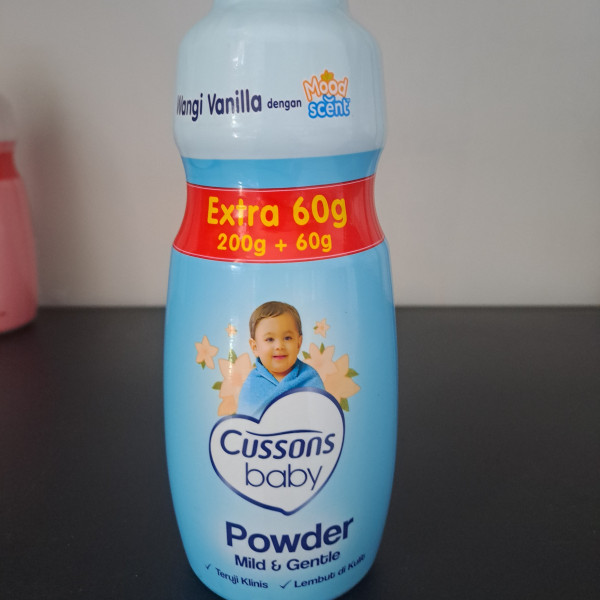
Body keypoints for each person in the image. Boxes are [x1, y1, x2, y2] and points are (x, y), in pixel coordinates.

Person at [236, 301, 324, 417]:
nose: (279, 346)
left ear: (298, 343)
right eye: (270, 339)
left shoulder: (309, 378)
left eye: (287, 338)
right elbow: (244, 423)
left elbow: (322, 418)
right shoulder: (252, 384)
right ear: (255, 347)